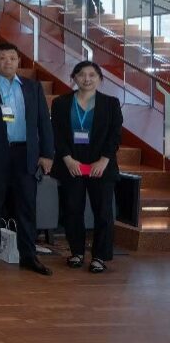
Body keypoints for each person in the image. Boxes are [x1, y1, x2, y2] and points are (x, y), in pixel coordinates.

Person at [0, 43, 56, 275]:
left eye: (12, 58)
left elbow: (44, 122)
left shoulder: (32, 87)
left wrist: (47, 154)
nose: (7, 62)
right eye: (2, 58)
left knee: (27, 207)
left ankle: (29, 256)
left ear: (18, 61)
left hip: (25, 154)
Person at [51, 61, 122, 273]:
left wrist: (104, 160)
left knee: (103, 212)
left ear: (100, 78)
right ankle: (77, 252)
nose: (87, 79)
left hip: (101, 165)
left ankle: (99, 256)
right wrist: (67, 159)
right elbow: (56, 134)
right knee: (73, 210)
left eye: (92, 75)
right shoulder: (61, 102)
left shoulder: (110, 103)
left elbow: (115, 135)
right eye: (81, 74)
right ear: (74, 77)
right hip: (72, 164)